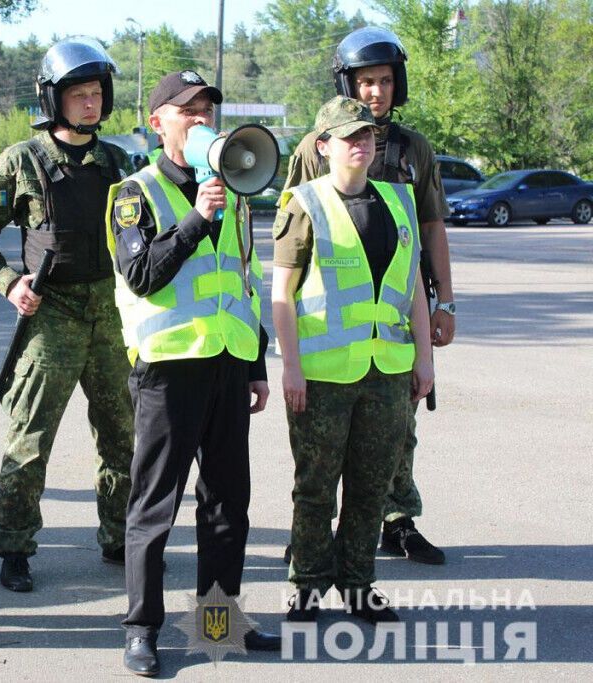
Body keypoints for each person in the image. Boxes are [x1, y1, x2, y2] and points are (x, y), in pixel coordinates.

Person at [108, 70, 280, 676]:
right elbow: (142, 275)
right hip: (168, 373)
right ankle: (142, 630)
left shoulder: (233, 194)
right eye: (189, 110)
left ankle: (217, 627)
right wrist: (195, 220)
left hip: (229, 368)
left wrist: (256, 363)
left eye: (208, 108)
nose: (202, 117)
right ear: (158, 123)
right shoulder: (134, 191)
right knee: (155, 507)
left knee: (228, 504)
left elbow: (243, 283)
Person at [0, 36, 134, 593]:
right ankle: (14, 546)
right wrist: (9, 282)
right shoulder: (23, 160)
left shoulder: (118, 161)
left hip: (110, 312)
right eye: (78, 94)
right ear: (53, 99)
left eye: (96, 93)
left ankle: (122, 537)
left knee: (123, 435)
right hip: (51, 314)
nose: (90, 103)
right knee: (30, 438)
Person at [281, 26, 455, 565]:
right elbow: (296, 224)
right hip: (332, 317)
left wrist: (444, 300)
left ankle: (397, 519)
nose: (374, 92)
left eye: (383, 81)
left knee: (397, 425)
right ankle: (310, 543)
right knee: (325, 448)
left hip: (400, 306)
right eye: (364, 82)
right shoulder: (318, 145)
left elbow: (432, 227)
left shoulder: (411, 149)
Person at [272, 96, 435, 623]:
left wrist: (425, 359)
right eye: (349, 137)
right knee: (316, 487)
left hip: (387, 372)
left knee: (371, 487)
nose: (362, 143)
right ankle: (308, 584)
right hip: (321, 376)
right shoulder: (303, 202)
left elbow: (413, 289)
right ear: (324, 146)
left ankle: (359, 584)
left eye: (367, 135)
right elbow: (283, 291)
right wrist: (290, 365)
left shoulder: (399, 199)